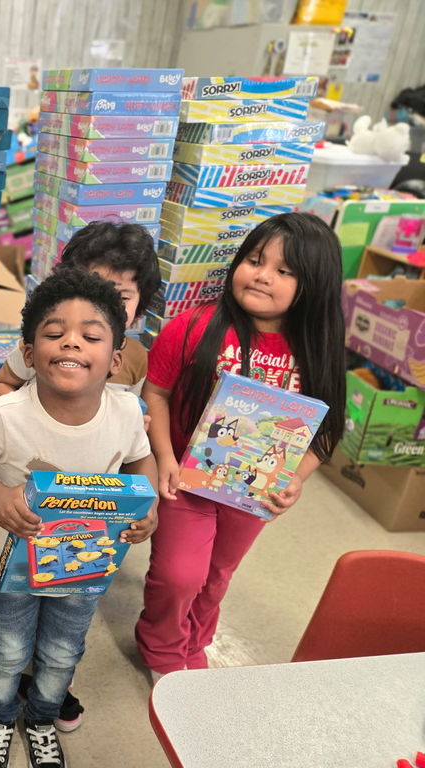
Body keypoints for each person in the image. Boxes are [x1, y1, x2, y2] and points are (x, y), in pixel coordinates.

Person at [0, 270, 158, 768]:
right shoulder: (6, 414)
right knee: (6, 649)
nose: (71, 342)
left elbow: (139, 460)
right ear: (28, 352)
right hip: (11, 565)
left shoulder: (127, 411)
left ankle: (42, 718)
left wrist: (146, 503)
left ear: (114, 359)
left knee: (64, 652)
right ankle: (0, 717)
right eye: (53, 332)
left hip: (85, 568)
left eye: (90, 335)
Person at [135, 212, 346, 679]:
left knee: (215, 577)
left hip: (251, 491)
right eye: (255, 259)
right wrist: (165, 459)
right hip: (185, 480)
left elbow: (327, 429)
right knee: (178, 575)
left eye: (284, 270)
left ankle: (195, 641)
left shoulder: (315, 348)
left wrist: (293, 481)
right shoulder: (193, 325)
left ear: (314, 284)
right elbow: (156, 392)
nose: (263, 275)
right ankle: (162, 649)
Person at [0, 221, 161, 397]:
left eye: (124, 297)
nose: (109, 305)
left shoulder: (137, 358)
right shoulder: (42, 343)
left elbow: (132, 407)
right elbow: (3, 383)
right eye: (96, 291)